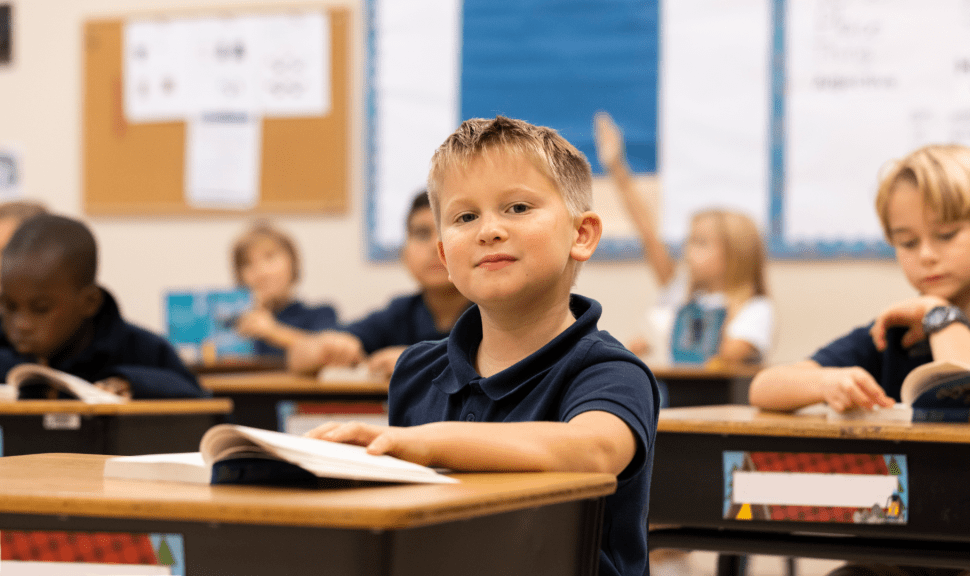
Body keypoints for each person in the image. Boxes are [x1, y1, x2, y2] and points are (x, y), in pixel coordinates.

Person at [307, 116, 660, 576]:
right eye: (465, 216)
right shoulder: (417, 371)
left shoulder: (610, 371)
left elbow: (593, 450)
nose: (488, 230)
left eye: (517, 208)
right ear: (444, 257)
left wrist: (428, 443)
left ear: (581, 234)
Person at [749, 143, 970, 415]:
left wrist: (936, 314)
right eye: (907, 242)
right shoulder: (890, 335)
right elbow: (763, 387)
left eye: (946, 235)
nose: (927, 255)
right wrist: (825, 382)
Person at [593, 111, 773, 366]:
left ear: (735, 254)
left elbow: (725, 356)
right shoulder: (681, 294)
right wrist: (617, 168)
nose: (688, 252)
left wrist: (665, 334)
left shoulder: (754, 310)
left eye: (700, 243)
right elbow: (649, 236)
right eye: (689, 242)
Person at [0, 214, 204, 398]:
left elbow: (206, 411)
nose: (21, 324)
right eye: (9, 306)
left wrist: (132, 384)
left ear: (89, 302)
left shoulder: (145, 351)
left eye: (41, 309)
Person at [287, 191, 471, 377]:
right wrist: (326, 346)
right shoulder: (400, 314)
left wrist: (413, 360)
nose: (435, 245)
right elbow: (299, 357)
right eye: (422, 234)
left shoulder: (494, 312)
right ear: (404, 255)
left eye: (447, 232)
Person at [231, 221, 338, 357]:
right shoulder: (237, 325)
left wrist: (272, 331)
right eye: (248, 264)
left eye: (270, 257)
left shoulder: (321, 314)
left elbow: (328, 350)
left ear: (293, 263)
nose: (261, 272)